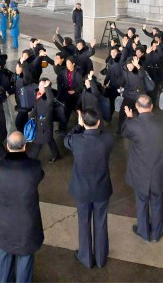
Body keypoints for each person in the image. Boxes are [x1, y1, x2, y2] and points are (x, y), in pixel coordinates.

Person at [64, 108, 114, 269]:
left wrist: (79, 126)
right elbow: (102, 133)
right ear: (99, 122)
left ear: (83, 123)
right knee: (101, 222)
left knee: (83, 222)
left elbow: (66, 139)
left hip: (82, 190)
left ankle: (85, 257)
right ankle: (100, 258)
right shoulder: (107, 140)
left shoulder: (76, 141)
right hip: (101, 188)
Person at [0, 132, 44, 283]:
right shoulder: (34, 167)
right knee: (26, 259)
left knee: (5, 255)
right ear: (25, 146)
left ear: (7, 146)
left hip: (5, 223)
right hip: (28, 224)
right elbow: (40, 176)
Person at [122, 95, 163, 243]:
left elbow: (124, 132)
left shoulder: (132, 125)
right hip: (158, 170)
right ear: (152, 106)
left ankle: (143, 231)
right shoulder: (161, 123)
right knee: (157, 201)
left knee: (141, 201)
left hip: (140, 171)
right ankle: (157, 232)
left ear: (136, 106)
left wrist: (129, 118)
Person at [27, 78, 60, 163]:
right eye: (40, 85)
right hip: (39, 122)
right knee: (49, 140)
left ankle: (31, 159)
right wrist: (31, 115)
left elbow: (50, 101)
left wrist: (47, 87)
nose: (39, 87)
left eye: (42, 86)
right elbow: (36, 107)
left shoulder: (48, 97)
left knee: (38, 141)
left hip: (44, 124)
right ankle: (56, 155)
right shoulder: (38, 94)